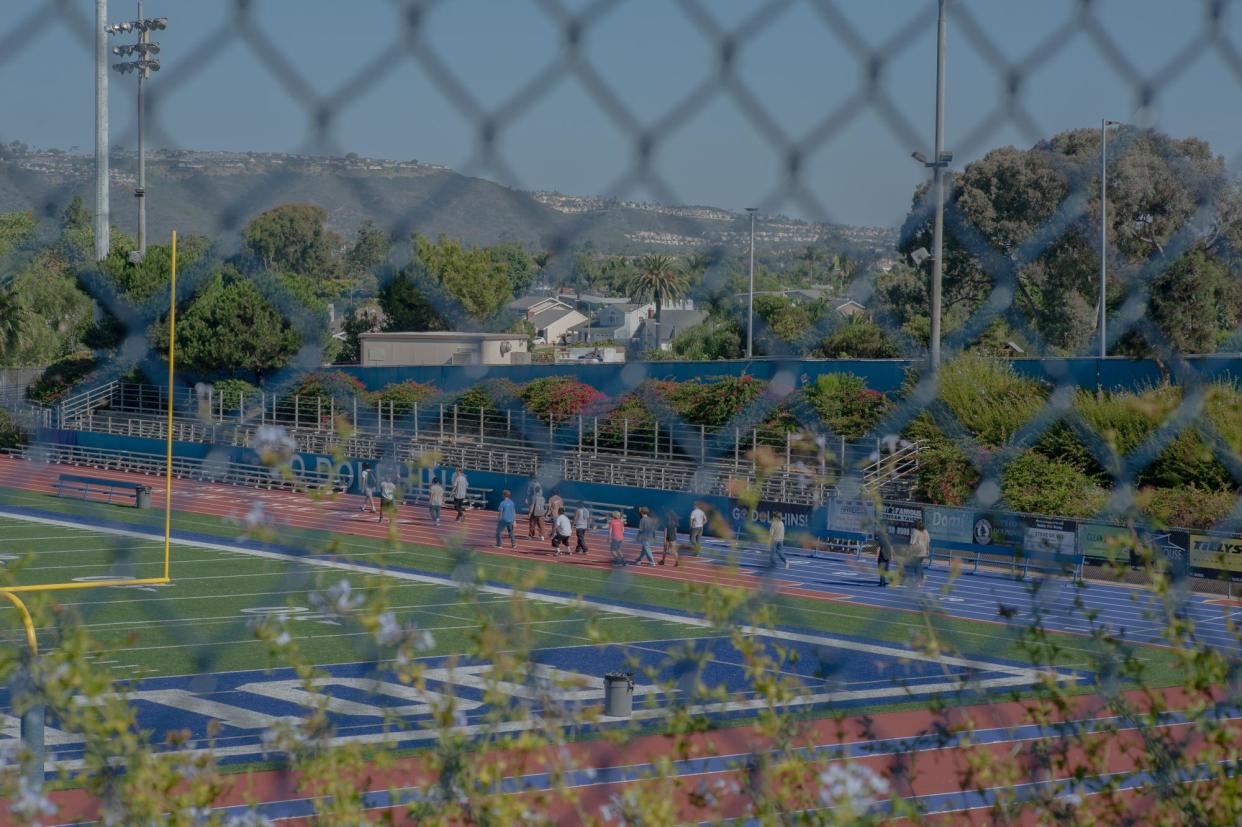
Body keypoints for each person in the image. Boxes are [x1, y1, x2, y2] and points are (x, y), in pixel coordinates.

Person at [909, 519, 931, 585]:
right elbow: (928, 542)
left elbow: (912, 543)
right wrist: (927, 550)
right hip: (923, 551)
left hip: (917, 551)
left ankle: (919, 579)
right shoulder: (926, 531)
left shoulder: (915, 532)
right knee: (918, 565)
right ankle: (922, 576)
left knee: (916, 566)